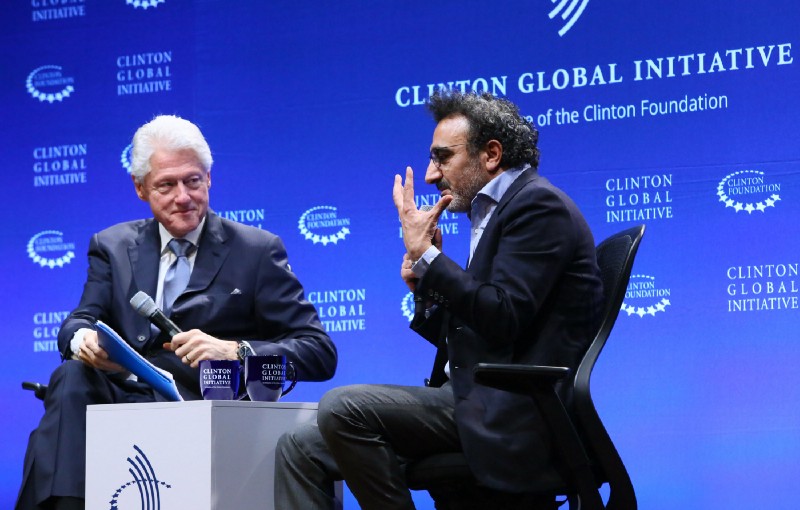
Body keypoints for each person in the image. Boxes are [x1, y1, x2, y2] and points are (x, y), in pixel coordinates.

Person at [274, 91, 603, 510]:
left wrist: (430, 260)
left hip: (510, 411)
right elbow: (477, 328)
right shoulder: (495, 211)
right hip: (470, 397)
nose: (431, 175)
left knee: (343, 407)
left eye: (443, 158)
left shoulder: (538, 206)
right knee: (299, 447)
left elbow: (504, 317)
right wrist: (426, 287)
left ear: (491, 154)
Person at [16, 115, 337, 510]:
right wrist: (84, 341)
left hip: (199, 405)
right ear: (140, 188)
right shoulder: (112, 246)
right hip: (118, 393)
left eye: (193, 181)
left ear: (209, 178)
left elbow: (319, 351)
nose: (182, 196)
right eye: (166, 185)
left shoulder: (256, 250)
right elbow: (79, 321)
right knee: (69, 376)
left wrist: (236, 350)